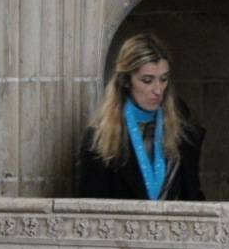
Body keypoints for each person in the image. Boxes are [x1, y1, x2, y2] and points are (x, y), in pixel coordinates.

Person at [77, 33, 205, 201]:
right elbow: (88, 212)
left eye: (163, 79)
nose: (158, 90)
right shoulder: (99, 139)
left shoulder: (185, 134)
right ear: (126, 81)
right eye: (147, 80)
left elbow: (194, 199)